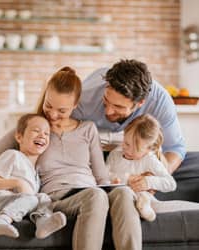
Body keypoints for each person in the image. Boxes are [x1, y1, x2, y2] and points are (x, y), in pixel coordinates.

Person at [0, 67, 110, 250]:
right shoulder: (32, 130)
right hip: (55, 198)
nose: (52, 115)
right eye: (48, 105)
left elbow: (103, 169)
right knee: (88, 196)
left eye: (62, 110)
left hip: (84, 194)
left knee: (104, 196)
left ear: (75, 106)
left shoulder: (86, 130)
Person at [70, 58, 186, 250]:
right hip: (93, 143)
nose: (108, 110)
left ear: (140, 103)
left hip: (135, 154)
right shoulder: (85, 96)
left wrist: (152, 179)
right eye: (106, 101)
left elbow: (176, 148)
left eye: (118, 107)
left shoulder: (160, 101)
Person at [0, 113, 67, 239]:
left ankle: (42, 223)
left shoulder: (36, 174)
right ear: (19, 137)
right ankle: (1, 221)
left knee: (43, 197)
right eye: (36, 130)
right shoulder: (13, 155)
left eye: (46, 133)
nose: (42, 135)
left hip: (18, 204)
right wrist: (17, 183)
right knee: (32, 199)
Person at [106, 114, 199, 222]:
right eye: (126, 143)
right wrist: (125, 179)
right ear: (124, 134)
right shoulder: (115, 154)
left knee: (152, 201)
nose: (128, 150)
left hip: (144, 198)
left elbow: (170, 183)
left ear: (149, 149)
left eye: (137, 149)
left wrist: (148, 182)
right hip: (118, 198)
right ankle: (142, 206)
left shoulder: (149, 159)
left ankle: (144, 206)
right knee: (124, 193)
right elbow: (103, 176)